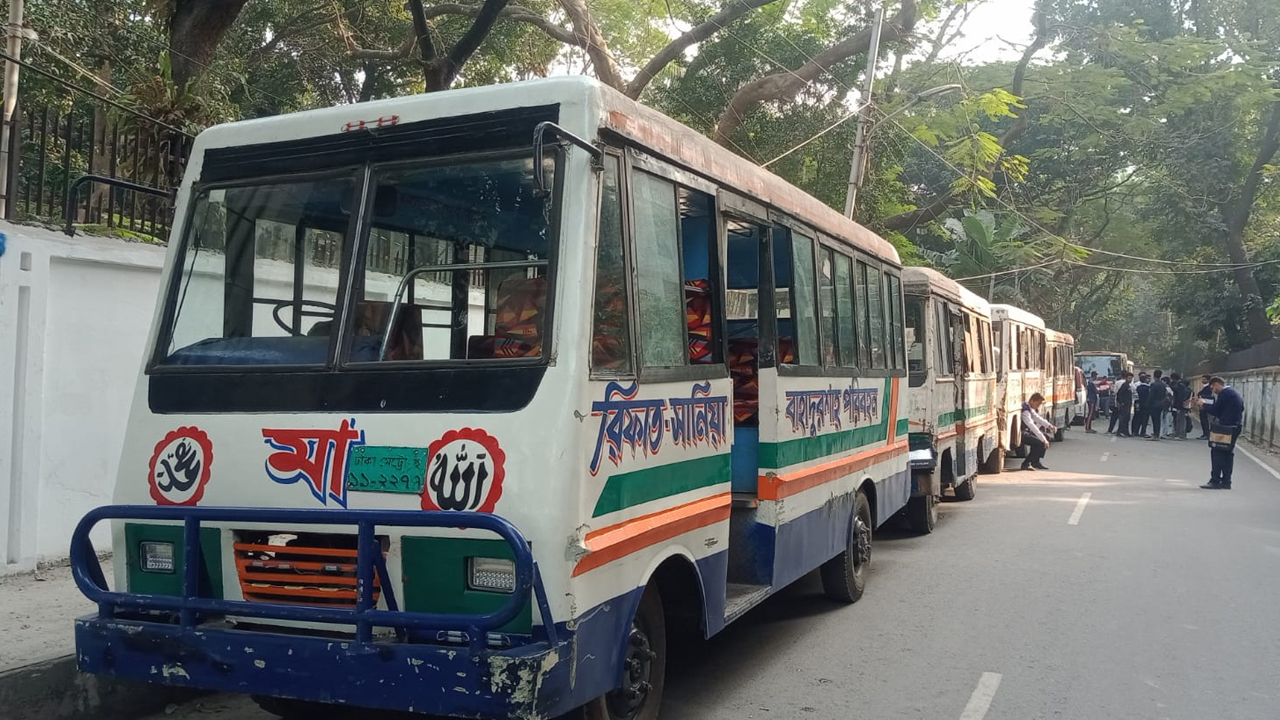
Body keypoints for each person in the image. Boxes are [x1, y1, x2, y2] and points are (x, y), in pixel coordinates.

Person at [1198, 377, 1244, 489]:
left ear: (1217, 384)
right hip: (1234, 426)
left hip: (1225, 428)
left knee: (1217, 452)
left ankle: (1215, 480)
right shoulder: (1233, 393)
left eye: (1213, 387)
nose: (1213, 390)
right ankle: (1226, 481)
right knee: (1228, 454)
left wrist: (1203, 405)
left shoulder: (1225, 394)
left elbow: (1216, 410)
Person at [1019, 393, 1058, 471]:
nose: (1038, 406)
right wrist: (1044, 440)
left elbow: (1038, 418)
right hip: (1022, 433)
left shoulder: (1030, 408)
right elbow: (1032, 426)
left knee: (1045, 437)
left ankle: (1036, 462)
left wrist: (1049, 426)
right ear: (1032, 401)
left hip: (1027, 432)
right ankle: (1025, 464)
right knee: (1040, 443)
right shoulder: (1025, 411)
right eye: (1038, 403)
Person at [1147, 370, 1171, 441]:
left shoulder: (1154, 385)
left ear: (1154, 376)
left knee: (1155, 420)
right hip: (1161, 404)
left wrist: (1148, 404)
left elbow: (1151, 396)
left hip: (1154, 404)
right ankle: (1157, 434)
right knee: (1158, 420)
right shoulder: (1163, 385)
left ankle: (1155, 435)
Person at [1108, 372, 1134, 436]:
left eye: (1131, 378)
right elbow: (1119, 394)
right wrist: (1121, 402)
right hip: (1124, 405)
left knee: (1127, 419)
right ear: (1126, 378)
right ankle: (1120, 431)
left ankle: (1126, 431)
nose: (1130, 380)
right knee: (1123, 418)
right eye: (1129, 378)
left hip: (1128, 404)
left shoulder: (1128, 385)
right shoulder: (1124, 385)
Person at [1171, 373, 1192, 440]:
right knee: (1181, 419)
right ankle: (1180, 434)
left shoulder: (1180, 386)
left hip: (1180, 405)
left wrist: (1178, 406)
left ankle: (1181, 435)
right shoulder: (1184, 387)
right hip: (1184, 405)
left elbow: (1179, 397)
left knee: (1181, 420)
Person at [1197, 375, 1214, 440]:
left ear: (1208, 380)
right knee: (1203, 420)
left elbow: (1206, 396)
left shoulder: (1209, 388)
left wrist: (1200, 395)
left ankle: (1207, 434)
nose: (1203, 381)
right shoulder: (1205, 387)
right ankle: (1205, 433)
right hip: (1203, 405)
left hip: (1205, 406)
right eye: (1202, 379)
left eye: (1204, 379)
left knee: (1205, 421)